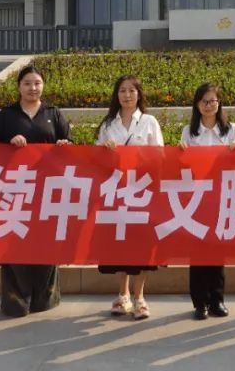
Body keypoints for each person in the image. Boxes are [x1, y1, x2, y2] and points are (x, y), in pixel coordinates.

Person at [0, 65, 72, 318]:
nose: (33, 88)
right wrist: (8, 142)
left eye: (37, 83)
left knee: (45, 242)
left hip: (47, 191)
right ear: (18, 87)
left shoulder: (53, 113)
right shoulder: (7, 115)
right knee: (14, 243)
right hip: (15, 191)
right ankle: (16, 301)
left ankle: (45, 298)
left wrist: (64, 144)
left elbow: (70, 144)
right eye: (27, 83)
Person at [96, 75, 163, 320]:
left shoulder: (149, 122)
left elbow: (160, 156)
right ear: (116, 95)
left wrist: (141, 156)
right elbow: (96, 159)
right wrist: (106, 152)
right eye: (122, 91)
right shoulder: (107, 125)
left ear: (139, 94)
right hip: (116, 192)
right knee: (119, 243)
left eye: (131, 91)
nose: (127, 95)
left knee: (141, 246)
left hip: (142, 192)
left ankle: (140, 297)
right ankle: (122, 295)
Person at [179, 82, 235, 320]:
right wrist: (180, 152)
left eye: (213, 101)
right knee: (197, 253)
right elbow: (183, 165)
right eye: (204, 101)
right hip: (197, 199)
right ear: (197, 105)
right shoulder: (189, 132)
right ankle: (200, 303)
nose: (208, 105)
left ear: (219, 103)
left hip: (221, 197)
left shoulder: (230, 130)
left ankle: (217, 300)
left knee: (217, 251)